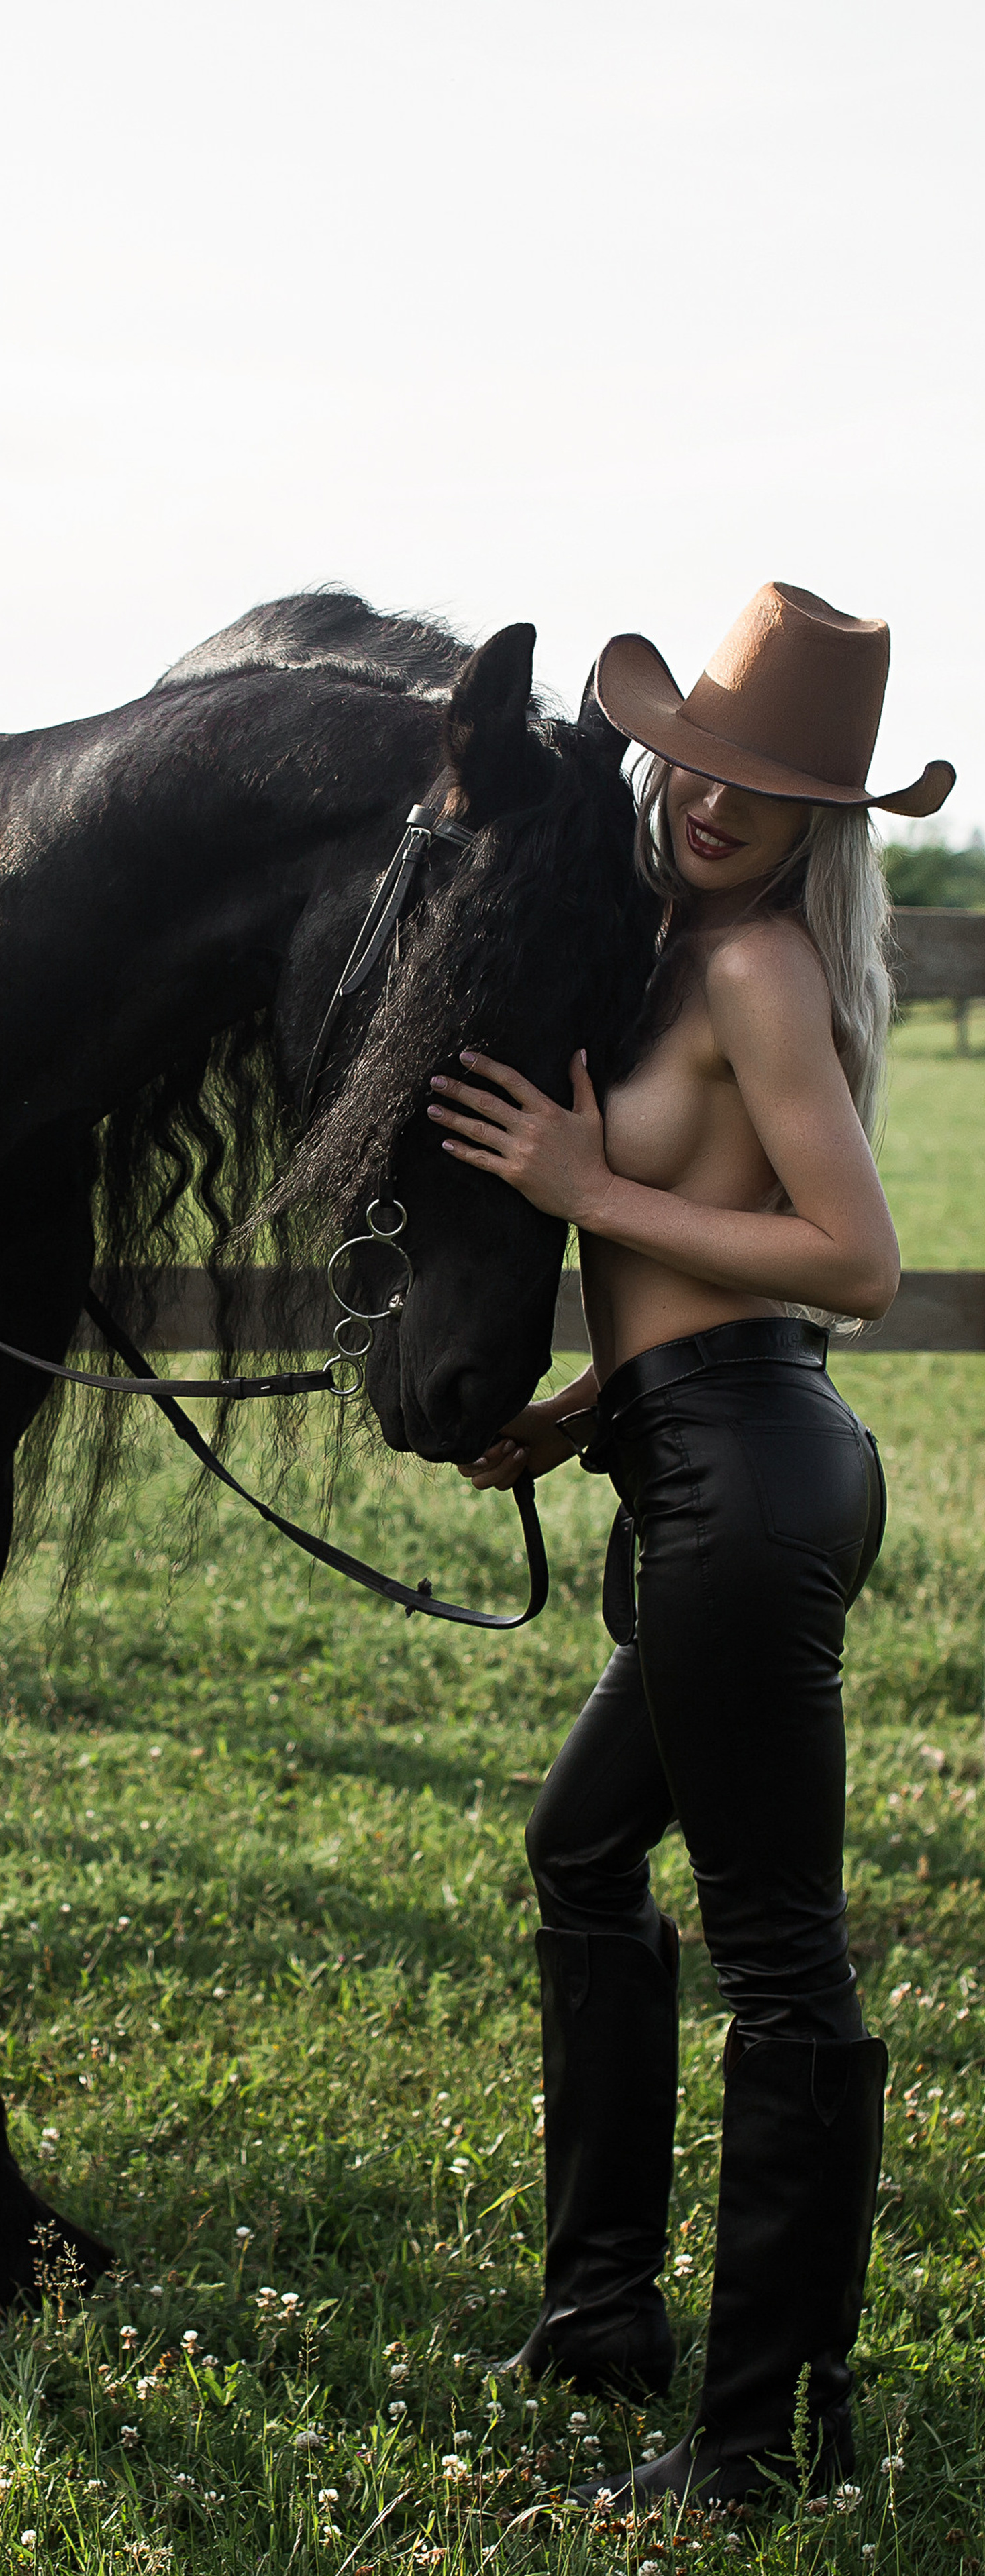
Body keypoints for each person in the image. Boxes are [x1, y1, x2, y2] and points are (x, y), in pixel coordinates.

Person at [425, 582, 955, 2507]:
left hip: (754, 1478)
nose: (718, 804)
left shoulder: (757, 974)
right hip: (704, 1450)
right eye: (701, 766)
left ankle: (764, 2444)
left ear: (820, 818)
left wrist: (583, 1184)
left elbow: (856, 1262)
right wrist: (587, 1406)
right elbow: (693, 1264)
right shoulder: (673, 951)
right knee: (581, 1850)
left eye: (768, 786)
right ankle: (601, 2316)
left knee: (783, 1960)